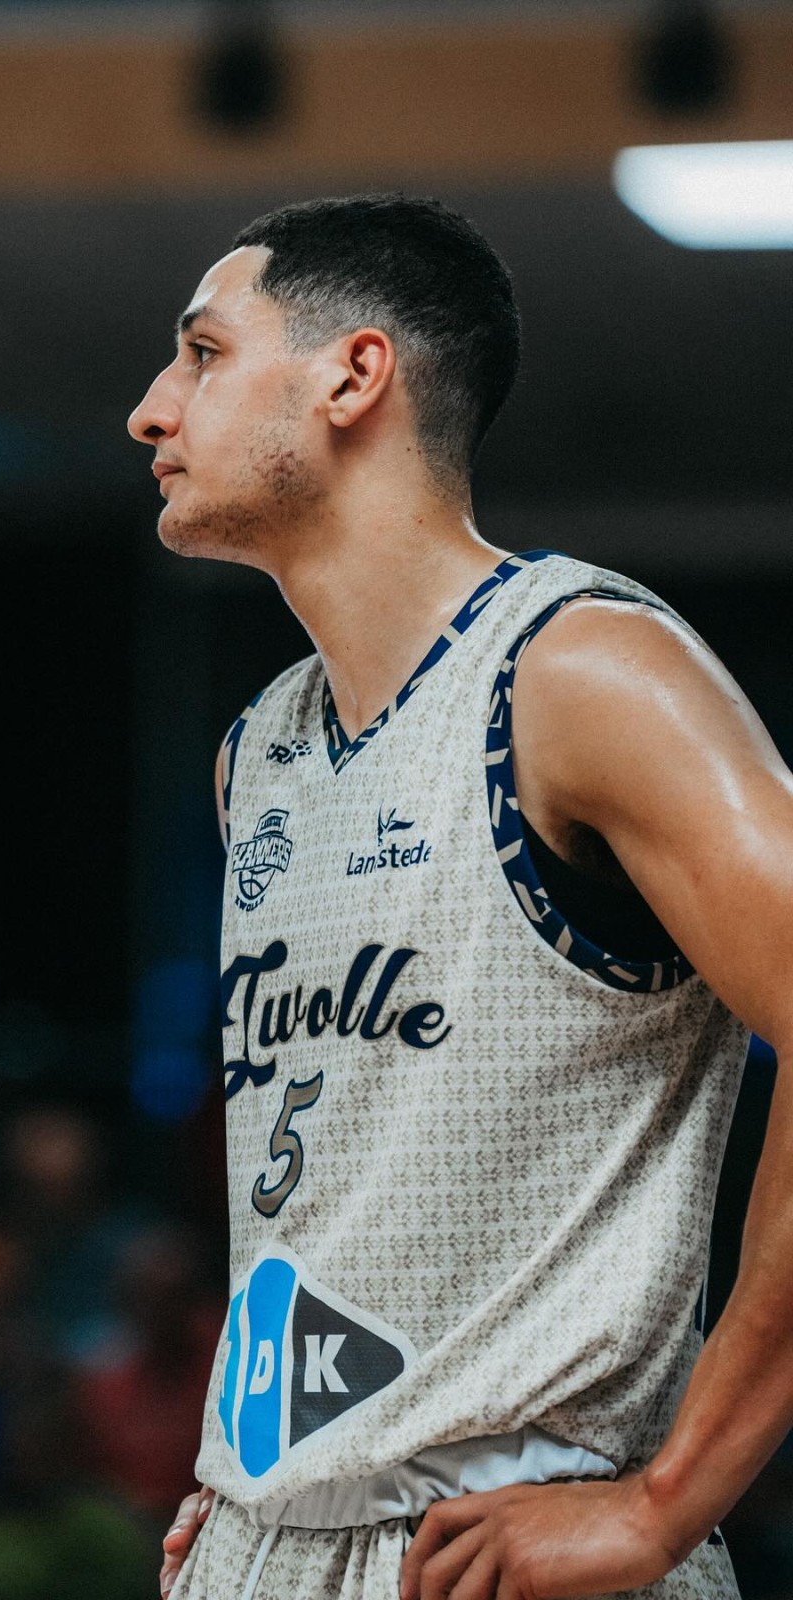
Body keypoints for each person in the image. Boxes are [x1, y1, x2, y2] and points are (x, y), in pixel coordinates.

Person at [126, 194, 793, 1600]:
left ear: (353, 376)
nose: (151, 409)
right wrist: (267, 1488)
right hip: (266, 1538)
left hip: (507, 1540)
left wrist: (667, 1502)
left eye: (202, 353)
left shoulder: (578, 670)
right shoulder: (258, 751)